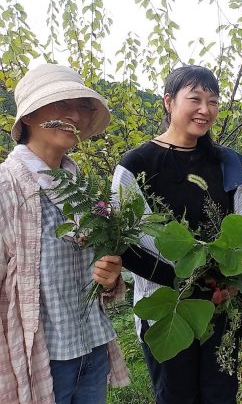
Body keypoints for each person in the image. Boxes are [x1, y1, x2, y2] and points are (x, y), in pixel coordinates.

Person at [112, 65, 242, 404]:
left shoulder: (226, 162)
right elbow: (126, 243)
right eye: (194, 99)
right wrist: (191, 284)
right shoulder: (137, 164)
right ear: (168, 102)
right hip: (167, 307)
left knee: (220, 393)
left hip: (222, 304)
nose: (205, 109)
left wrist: (226, 282)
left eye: (213, 101)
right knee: (176, 395)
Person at [0, 63, 129, 403]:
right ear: (27, 116)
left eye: (83, 106)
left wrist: (110, 276)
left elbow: (100, 275)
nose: (76, 114)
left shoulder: (84, 189)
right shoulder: (7, 187)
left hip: (92, 346)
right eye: (62, 103)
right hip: (40, 356)